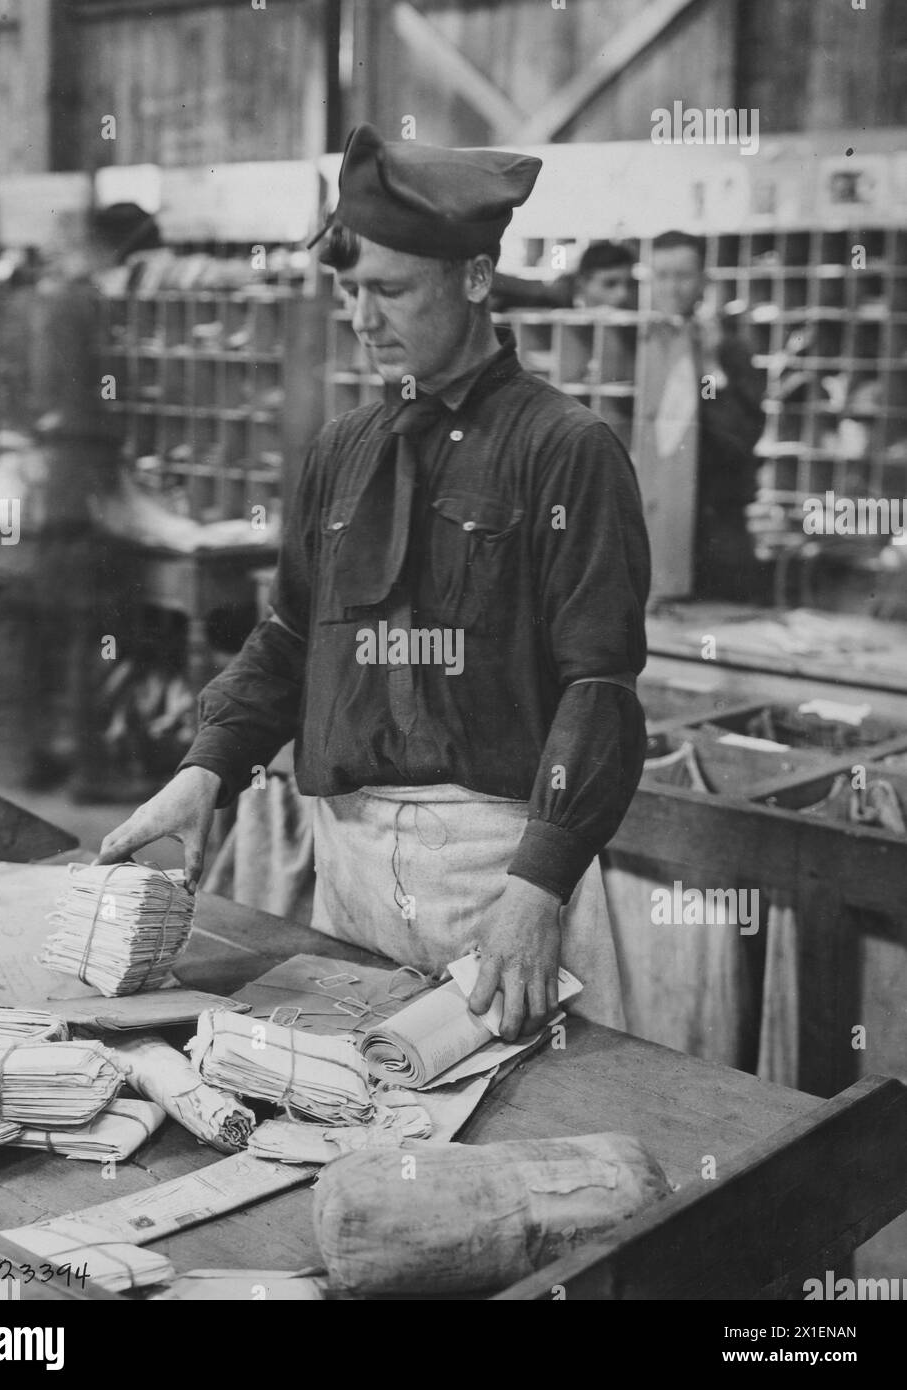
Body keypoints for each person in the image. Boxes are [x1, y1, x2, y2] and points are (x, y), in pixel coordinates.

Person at [97, 125, 651, 1041]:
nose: (361, 320)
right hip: (351, 863)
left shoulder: (566, 451)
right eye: (350, 290)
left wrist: (541, 880)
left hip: (497, 869)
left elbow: (599, 686)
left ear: (476, 277)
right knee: (352, 1113)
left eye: (389, 290)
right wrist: (208, 768)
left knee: (518, 1134)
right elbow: (291, 634)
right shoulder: (343, 450)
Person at [649, 230, 768, 602]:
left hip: (718, 523)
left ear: (703, 281)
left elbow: (738, 436)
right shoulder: (646, 344)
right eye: (662, 276)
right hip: (660, 517)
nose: (672, 288)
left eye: (683, 276)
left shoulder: (730, 350)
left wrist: (712, 369)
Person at [490, 240, 635, 313]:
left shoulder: (631, 310)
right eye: (610, 284)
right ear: (583, 281)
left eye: (629, 284)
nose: (623, 294)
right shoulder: (551, 298)